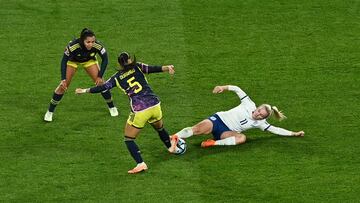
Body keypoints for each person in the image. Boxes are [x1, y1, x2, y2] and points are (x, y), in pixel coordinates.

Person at [75, 52, 177, 174]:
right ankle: (171, 147)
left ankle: (141, 164)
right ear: (129, 60)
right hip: (155, 105)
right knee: (159, 128)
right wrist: (167, 68)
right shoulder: (138, 66)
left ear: (119, 64)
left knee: (129, 139)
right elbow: (152, 68)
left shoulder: (117, 77)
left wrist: (85, 90)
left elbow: (103, 87)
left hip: (140, 110)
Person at [171, 85, 304, 148]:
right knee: (196, 130)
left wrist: (294, 133)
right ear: (257, 107)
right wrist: (223, 87)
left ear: (263, 118)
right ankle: (173, 137)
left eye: (261, 115)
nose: (257, 114)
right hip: (218, 120)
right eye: (258, 111)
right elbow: (237, 89)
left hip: (226, 133)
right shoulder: (248, 104)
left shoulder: (261, 123)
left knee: (242, 138)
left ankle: (213, 143)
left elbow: (277, 130)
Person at [44, 28, 118, 122]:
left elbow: (105, 59)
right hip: (72, 61)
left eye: (93, 41)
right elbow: (64, 61)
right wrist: (63, 79)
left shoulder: (98, 46)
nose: (91, 44)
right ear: (82, 40)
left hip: (89, 60)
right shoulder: (73, 46)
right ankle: (50, 112)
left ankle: (112, 107)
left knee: (101, 84)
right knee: (63, 86)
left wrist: (99, 76)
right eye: (88, 42)